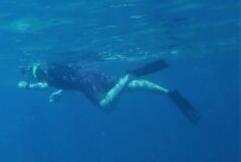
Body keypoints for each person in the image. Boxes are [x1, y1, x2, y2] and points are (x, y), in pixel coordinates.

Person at [18, 59, 198, 124]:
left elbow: (43, 85)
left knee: (106, 105)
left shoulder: (41, 73)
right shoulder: (52, 66)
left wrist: (27, 87)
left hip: (85, 80)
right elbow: (66, 78)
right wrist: (60, 92)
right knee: (129, 87)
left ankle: (131, 74)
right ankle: (169, 93)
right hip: (90, 73)